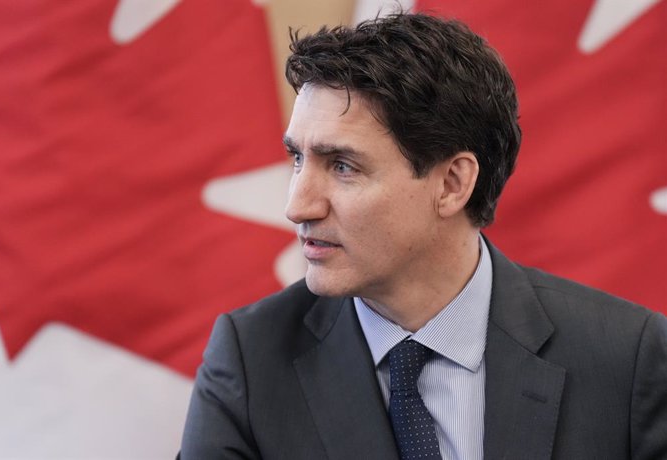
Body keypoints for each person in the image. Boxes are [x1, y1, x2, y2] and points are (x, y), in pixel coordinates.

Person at [179, 12, 667, 459]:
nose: (297, 205)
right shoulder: (249, 361)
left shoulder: (627, 357)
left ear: (452, 184)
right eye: (298, 159)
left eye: (343, 166)